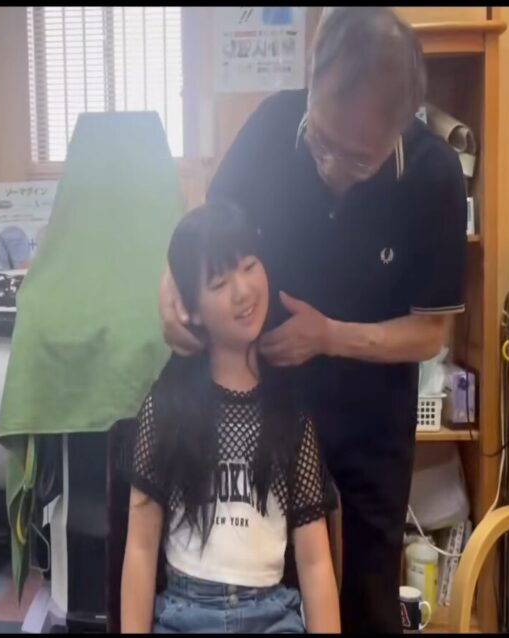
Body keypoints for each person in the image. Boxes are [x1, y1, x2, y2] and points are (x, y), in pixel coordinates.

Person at [158, 7, 467, 633]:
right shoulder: (272, 126)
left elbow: (429, 333)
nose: (331, 166)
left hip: (369, 429)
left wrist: (327, 336)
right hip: (265, 413)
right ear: (313, 76)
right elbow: (205, 236)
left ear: (404, 122)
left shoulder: (434, 177)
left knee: (364, 600)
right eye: (323, 141)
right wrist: (172, 287)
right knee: (266, 593)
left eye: (358, 159)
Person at [121, 203, 340, 634]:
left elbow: (315, 561)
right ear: (190, 308)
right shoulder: (166, 405)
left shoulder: (291, 409)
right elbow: (141, 549)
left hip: (272, 614)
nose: (242, 291)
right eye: (219, 282)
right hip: (185, 613)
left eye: (249, 266)